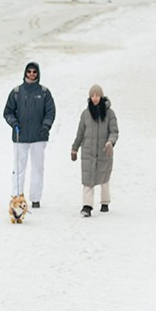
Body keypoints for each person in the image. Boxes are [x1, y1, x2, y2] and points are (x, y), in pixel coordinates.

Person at [3, 61, 56, 213]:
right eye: (29, 71)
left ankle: (36, 198)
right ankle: (17, 196)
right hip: (20, 136)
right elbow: (8, 112)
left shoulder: (44, 92)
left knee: (38, 168)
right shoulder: (16, 92)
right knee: (19, 168)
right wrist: (14, 123)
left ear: (38, 74)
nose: (32, 74)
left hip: (39, 137)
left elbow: (50, 112)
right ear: (25, 73)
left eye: (34, 72)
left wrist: (46, 125)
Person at [70, 85, 119, 217]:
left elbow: (114, 131)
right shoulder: (86, 114)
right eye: (92, 96)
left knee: (104, 178)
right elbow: (80, 133)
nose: (95, 98)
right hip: (88, 152)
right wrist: (74, 148)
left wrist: (110, 142)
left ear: (101, 96)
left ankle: (105, 202)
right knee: (88, 180)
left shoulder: (109, 113)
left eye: (97, 95)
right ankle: (87, 206)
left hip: (104, 151)